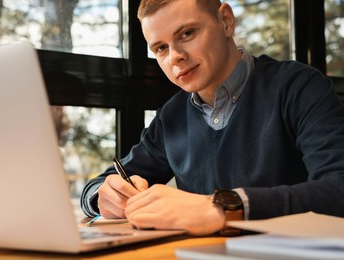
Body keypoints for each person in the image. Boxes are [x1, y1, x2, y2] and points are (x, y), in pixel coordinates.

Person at [81, 0, 344, 236]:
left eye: (187, 33)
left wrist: (223, 208)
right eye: (161, 48)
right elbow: (105, 181)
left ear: (226, 21)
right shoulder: (170, 116)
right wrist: (101, 196)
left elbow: (338, 189)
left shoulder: (299, 86)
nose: (175, 57)